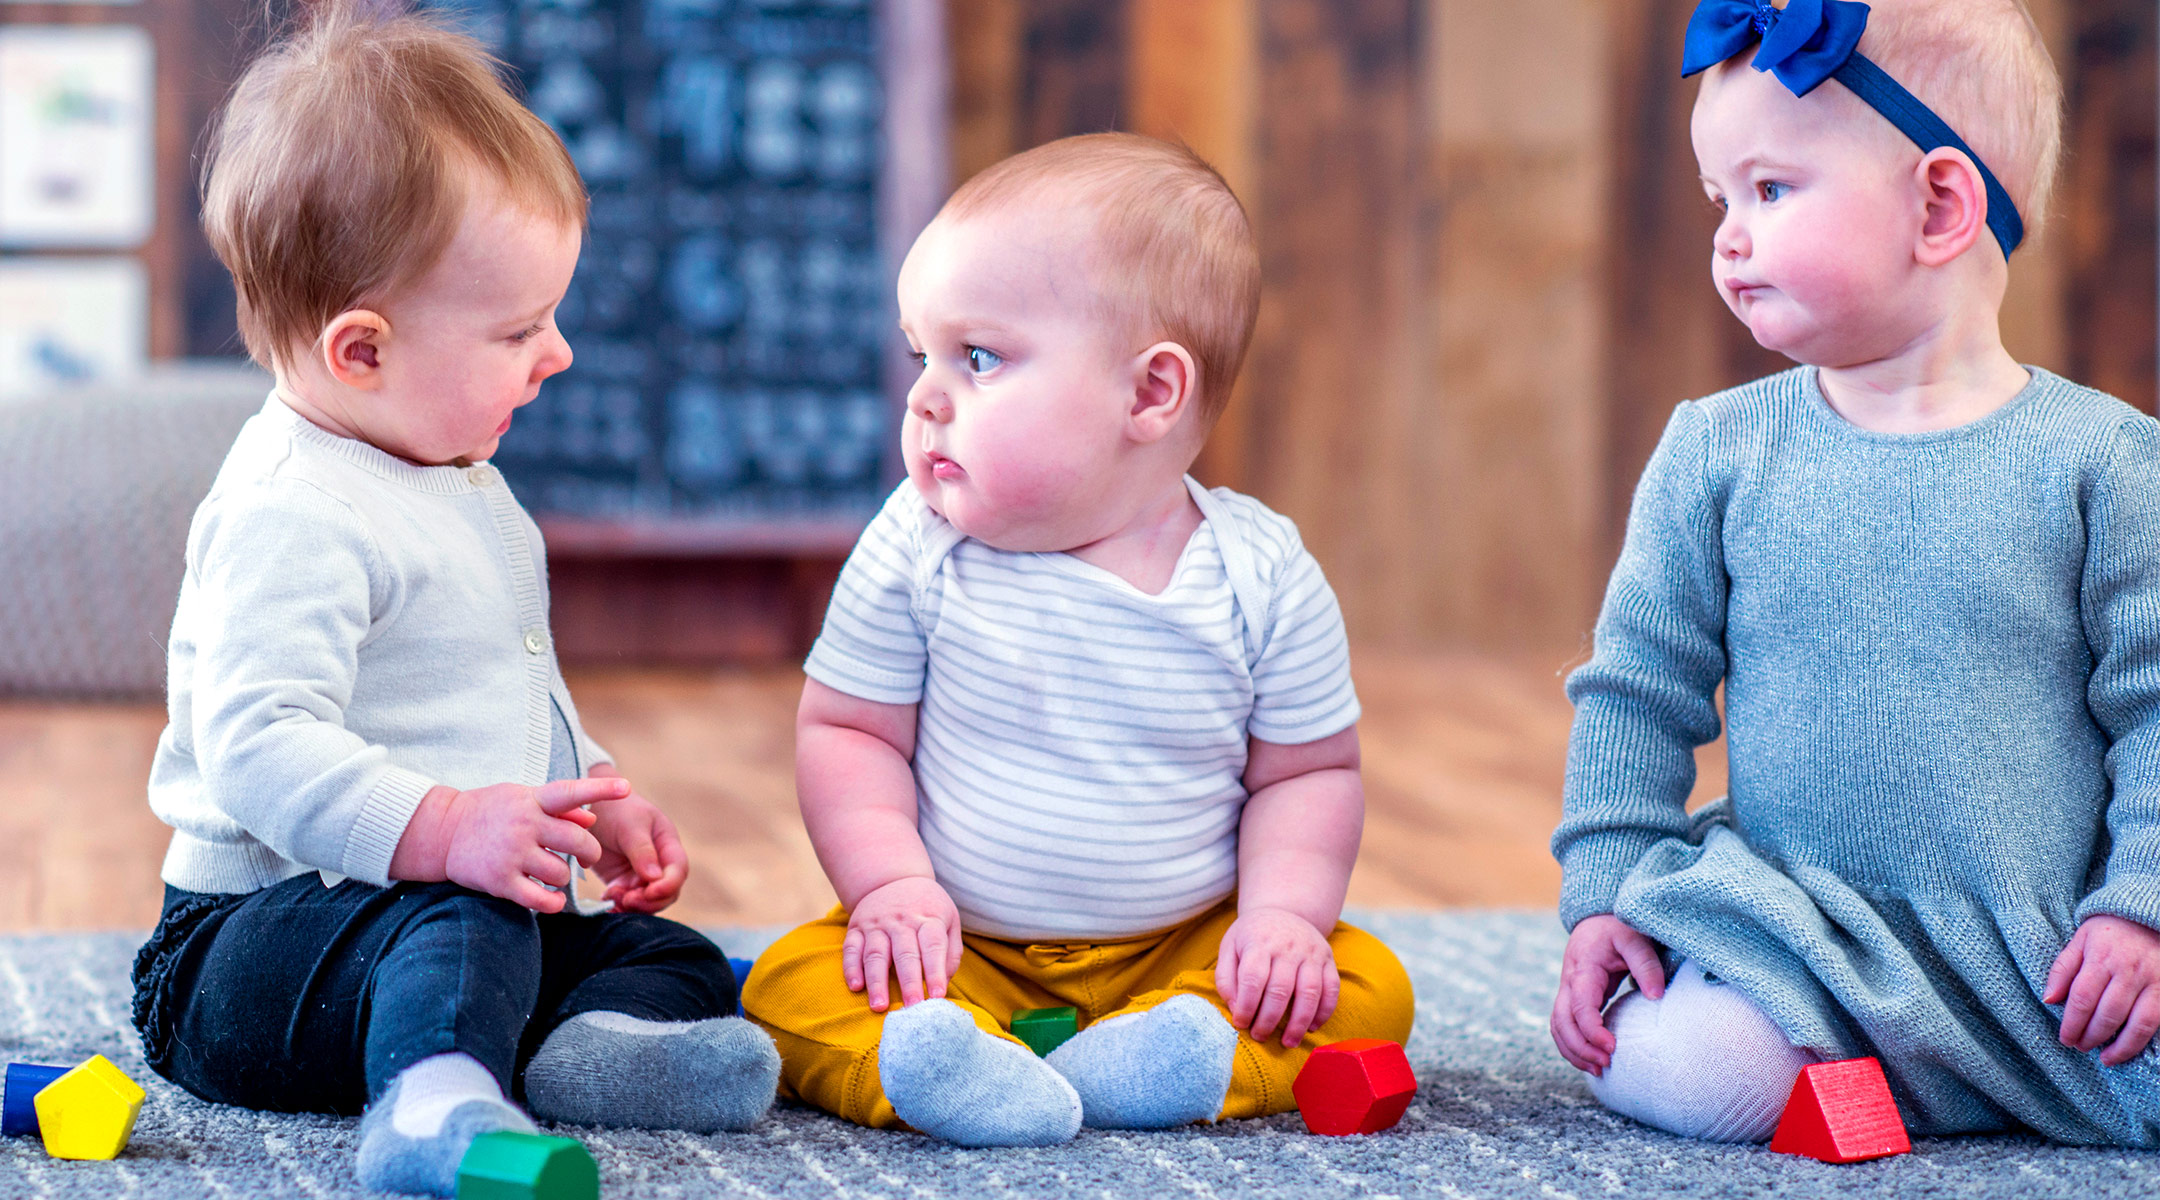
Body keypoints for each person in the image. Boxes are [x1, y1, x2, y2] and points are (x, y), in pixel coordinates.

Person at [127, 5, 777, 1193]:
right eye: (521, 328)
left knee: (674, 958)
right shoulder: (294, 509)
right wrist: (445, 830)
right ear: (360, 351)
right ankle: (429, 1109)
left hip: (423, 920)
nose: (561, 352)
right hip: (245, 957)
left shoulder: (452, 475)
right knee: (460, 919)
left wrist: (592, 798)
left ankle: (581, 1059)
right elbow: (256, 745)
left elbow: (503, 673)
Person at [1551, 0, 2160, 1147]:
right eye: (1718, 200)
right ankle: (1831, 1079)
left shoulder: (2105, 465)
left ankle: (1939, 1082)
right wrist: (1609, 891)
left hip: (2046, 958)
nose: (1728, 236)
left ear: (1939, 205)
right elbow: (1635, 690)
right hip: (1795, 933)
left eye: (1770, 191)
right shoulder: (1718, 450)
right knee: (1682, 1061)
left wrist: (2141, 916)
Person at [742, 132, 1415, 1146]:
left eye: (977, 359)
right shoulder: (914, 546)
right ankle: (942, 1058)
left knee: (1366, 985)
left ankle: (1174, 1050)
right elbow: (850, 733)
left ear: (1149, 394)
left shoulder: (1261, 573)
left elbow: (1306, 776)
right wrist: (888, 887)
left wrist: (1282, 919)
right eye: (919, 353)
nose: (925, 396)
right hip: (958, 945)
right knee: (791, 980)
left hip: (1185, 950)